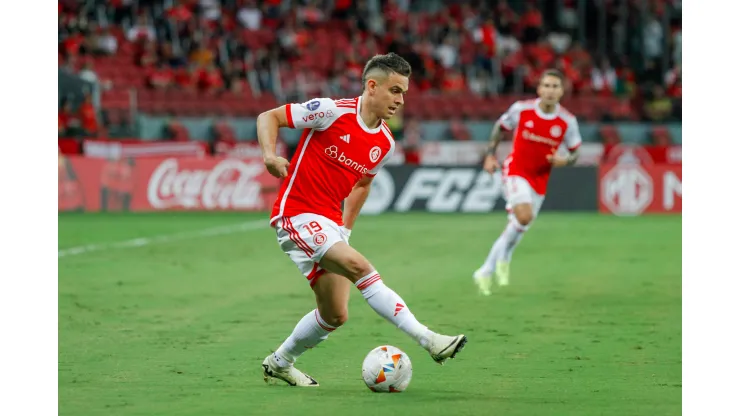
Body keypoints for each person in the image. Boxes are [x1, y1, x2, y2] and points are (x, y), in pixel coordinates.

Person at [257, 53, 467, 387]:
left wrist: (345, 230)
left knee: (335, 314)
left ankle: (280, 362)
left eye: (404, 93)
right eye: (395, 90)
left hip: (328, 223)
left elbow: (363, 185)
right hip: (296, 213)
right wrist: (270, 155)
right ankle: (430, 340)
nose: (400, 100)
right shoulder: (331, 111)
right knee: (362, 269)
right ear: (372, 86)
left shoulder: (384, 143)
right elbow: (269, 117)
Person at [473, 69, 582, 294]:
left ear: (562, 91)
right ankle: (484, 271)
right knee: (523, 216)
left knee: (520, 226)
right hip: (515, 171)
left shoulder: (567, 121)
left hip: (540, 180)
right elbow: (500, 127)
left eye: (555, 87)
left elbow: (575, 153)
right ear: (539, 89)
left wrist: (564, 161)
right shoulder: (521, 109)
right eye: (547, 86)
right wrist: (491, 155)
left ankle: (504, 258)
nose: (550, 91)